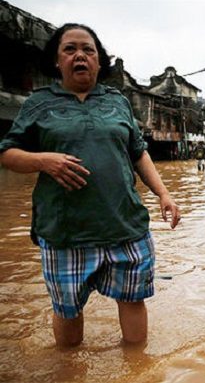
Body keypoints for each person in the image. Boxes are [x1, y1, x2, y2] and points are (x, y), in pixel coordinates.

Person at [0, 24, 181, 347]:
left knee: (133, 302)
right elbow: (8, 154)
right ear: (57, 61)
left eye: (88, 50)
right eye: (70, 49)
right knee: (67, 312)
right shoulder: (39, 104)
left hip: (125, 226)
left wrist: (164, 194)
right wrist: (44, 161)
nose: (80, 56)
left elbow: (138, 153)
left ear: (99, 61)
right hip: (64, 232)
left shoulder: (118, 102)